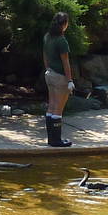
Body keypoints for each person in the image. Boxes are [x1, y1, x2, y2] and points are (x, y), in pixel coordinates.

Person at [42, 12, 76, 148]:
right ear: (65, 24)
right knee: (58, 107)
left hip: (49, 74)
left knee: (51, 105)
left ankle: (51, 139)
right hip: (60, 77)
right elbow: (66, 63)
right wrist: (70, 81)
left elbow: (44, 54)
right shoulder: (61, 40)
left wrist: (47, 69)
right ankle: (57, 140)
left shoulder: (47, 36)